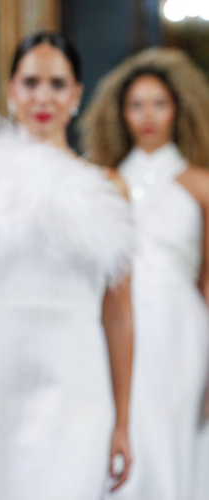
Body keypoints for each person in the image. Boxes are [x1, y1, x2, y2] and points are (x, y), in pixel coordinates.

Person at [0, 31, 133, 500]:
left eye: (58, 84)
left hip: (78, 384)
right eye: (31, 82)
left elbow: (119, 313)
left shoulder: (108, 189)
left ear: (77, 94)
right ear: (11, 90)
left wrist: (123, 420)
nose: (43, 97)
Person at [81, 47, 209, 500]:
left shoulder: (201, 184)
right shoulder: (103, 182)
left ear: (179, 108)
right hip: (115, 325)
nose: (148, 115)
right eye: (137, 104)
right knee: (124, 431)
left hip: (182, 329)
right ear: (121, 112)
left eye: (160, 103)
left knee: (173, 436)